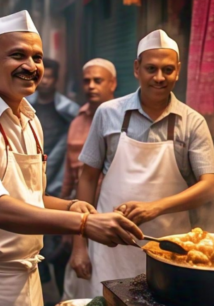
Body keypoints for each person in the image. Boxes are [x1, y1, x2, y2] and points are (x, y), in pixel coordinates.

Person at [0, 11, 142, 306]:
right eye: (18, 55)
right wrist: (81, 224)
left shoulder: (29, 119)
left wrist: (70, 205)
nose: (30, 66)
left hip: (27, 279)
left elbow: (30, 197)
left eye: (37, 58)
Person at [69, 29, 214, 298]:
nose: (160, 77)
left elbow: (210, 186)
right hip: (109, 245)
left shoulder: (192, 122)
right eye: (151, 68)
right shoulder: (108, 113)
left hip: (168, 248)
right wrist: (79, 246)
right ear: (137, 68)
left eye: (168, 69)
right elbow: (88, 178)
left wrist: (155, 208)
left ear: (178, 71)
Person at [61, 58, 117, 300]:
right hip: (79, 214)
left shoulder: (122, 119)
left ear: (113, 83)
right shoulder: (76, 122)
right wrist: (66, 217)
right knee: (80, 285)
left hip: (111, 216)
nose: (91, 86)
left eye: (98, 80)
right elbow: (70, 175)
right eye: (87, 81)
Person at [26, 58, 79, 197]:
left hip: (56, 170)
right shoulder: (24, 105)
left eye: (49, 77)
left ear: (56, 79)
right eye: (42, 77)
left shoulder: (68, 109)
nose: (44, 81)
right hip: (29, 165)